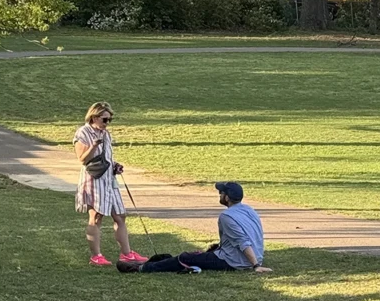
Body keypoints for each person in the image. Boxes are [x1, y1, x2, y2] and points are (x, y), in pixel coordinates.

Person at [116, 182, 270, 273]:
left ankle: (141, 269)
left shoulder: (227, 216)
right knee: (203, 254)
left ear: (227, 197)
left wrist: (256, 265)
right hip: (249, 257)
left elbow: (243, 241)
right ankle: (152, 263)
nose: (219, 195)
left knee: (185, 258)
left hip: (235, 262)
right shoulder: (250, 210)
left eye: (221, 193)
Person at [74, 102, 145, 267]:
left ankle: (127, 254)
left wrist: (114, 165)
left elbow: (106, 157)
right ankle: (96, 256)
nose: (107, 123)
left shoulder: (106, 134)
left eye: (110, 120)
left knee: (120, 215)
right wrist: (94, 145)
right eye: (105, 119)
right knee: (96, 217)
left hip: (109, 179)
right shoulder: (83, 132)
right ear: (94, 117)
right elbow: (82, 159)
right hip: (94, 179)